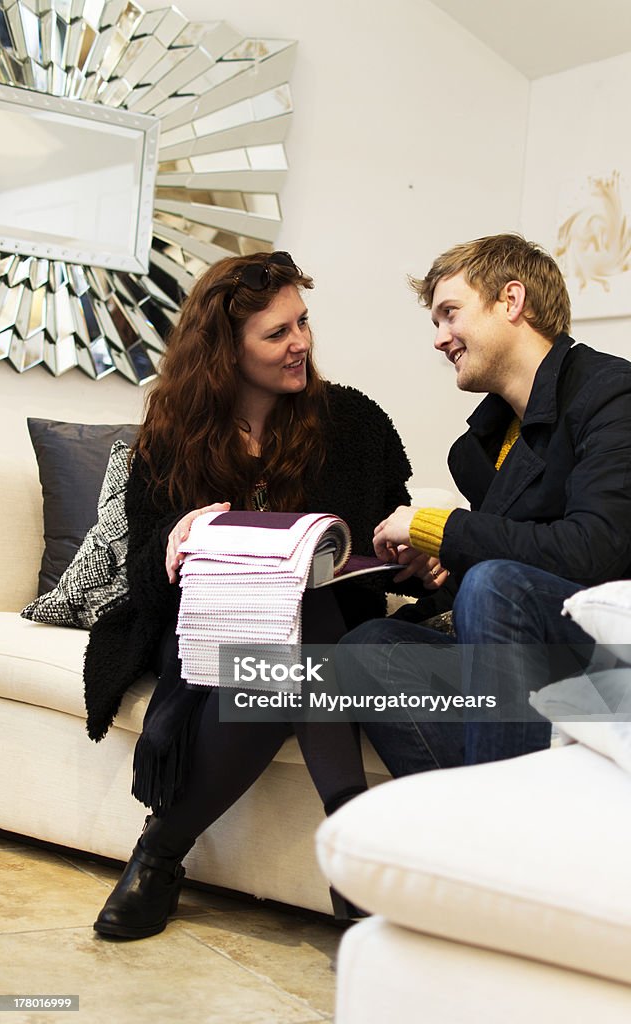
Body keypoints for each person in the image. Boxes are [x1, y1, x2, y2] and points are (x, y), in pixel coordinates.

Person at [83, 251, 413, 939]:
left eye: (303, 323)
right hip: (207, 632)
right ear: (224, 353)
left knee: (299, 612)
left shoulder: (351, 423)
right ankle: (351, 862)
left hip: (317, 628)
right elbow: (142, 582)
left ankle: (161, 854)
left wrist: (404, 553)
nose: (301, 343)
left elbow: (389, 523)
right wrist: (177, 536)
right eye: (276, 334)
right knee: (283, 637)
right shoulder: (171, 442)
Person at [336, 233, 631, 776]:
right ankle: (472, 818)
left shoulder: (613, 395)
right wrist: (438, 569)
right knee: (368, 646)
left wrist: (441, 528)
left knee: (497, 585)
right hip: (533, 644)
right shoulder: (477, 449)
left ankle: (498, 828)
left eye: (450, 314)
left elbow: (594, 552)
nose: (440, 338)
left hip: (609, 643)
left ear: (511, 302)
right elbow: (507, 557)